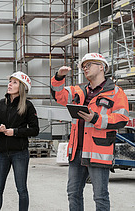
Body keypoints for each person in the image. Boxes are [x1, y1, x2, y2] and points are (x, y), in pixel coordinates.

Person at [50, 53, 129, 210]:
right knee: (73, 194)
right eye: (83, 66)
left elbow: (122, 118)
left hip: (97, 151)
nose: (85, 68)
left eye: (89, 65)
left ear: (101, 67)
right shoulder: (78, 90)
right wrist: (58, 77)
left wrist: (95, 118)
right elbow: (58, 95)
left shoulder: (115, 92)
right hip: (77, 151)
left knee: (100, 197)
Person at [0, 71, 39, 211]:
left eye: (14, 82)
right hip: (2, 154)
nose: (10, 84)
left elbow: (35, 130)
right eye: (10, 81)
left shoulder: (28, 106)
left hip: (20, 154)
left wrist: (14, 132)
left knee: (21, 190)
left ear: (21, 87)